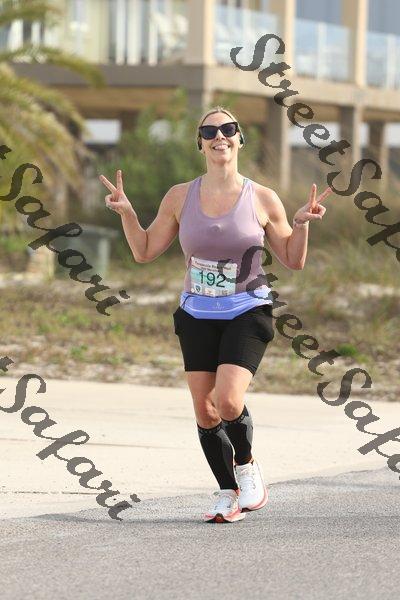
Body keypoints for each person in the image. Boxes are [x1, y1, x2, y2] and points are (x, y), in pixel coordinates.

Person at [99, 105, 331, 524]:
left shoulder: (262, 197)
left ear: (240, 138)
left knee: (227, 400)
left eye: (228, 128)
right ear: (200, 143)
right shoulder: (179, 196)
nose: (219, 136)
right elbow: (145, 251)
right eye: (209, 131)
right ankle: (228, 493)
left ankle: (246, 464)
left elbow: (293, 260)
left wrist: (301, 224)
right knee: (205, 411)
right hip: (196, 313)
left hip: (248, 309)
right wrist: (128, 214)